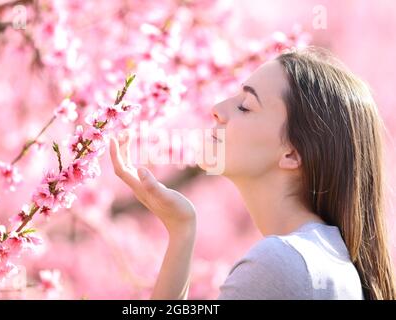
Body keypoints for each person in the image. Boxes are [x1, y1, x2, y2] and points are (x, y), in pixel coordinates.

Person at [109, 47, 396, 300]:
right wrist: (182, 230)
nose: (217, 109)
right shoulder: (327, 259)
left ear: (292, 154)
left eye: (245, 106)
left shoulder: (281, 263)